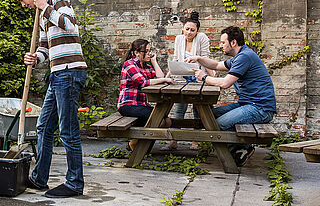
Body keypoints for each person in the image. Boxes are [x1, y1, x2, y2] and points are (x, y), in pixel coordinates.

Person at [11, 0, 87, 198]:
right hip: (57, 73)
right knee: (44, 127)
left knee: (68, 131)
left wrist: (45, 6)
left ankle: (74, 183)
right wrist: (36, 58)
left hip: (70, 72)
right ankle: (39, 178)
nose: (23, 4)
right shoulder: (41, 14)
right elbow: (46, 47)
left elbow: (71, 27)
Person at [186, 26, 276, 167]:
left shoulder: (244, 57)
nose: (221, 45)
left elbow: (225, 83)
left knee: (219, 124)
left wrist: (204, 77)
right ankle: (238, 148)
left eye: (223, 42)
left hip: (260, 108)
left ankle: (240, 149)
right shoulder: (239, 56)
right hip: (247, 104)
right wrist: (198, 58)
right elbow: (216, 65)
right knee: (205, 114)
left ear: (233, 42)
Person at [164, 11, 215, 151]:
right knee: (179, 108)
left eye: (192, 30)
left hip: (198, 75)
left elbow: (205, 59)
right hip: (182, 76)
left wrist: (213, 79)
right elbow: (175, 59)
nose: (189, 32)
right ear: (183, 28)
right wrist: (167, 76)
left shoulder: (202, 38)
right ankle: (174, 140)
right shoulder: (179, 39)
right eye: (187, 29)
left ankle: (195, 141)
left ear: (197, 30)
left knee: (198, 109)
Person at [117, 39, 174, 151]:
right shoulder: (129, 65)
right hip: (128, 105)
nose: (149, 53)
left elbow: (159, 78)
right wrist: (165, 79)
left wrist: (154, 61)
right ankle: (139, 147)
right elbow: (143, 82)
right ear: (136, 53)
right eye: (146, 51)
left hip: (141, 105)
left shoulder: (146, 67)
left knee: (167, 121)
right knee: (159, 120)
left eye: (150, 50)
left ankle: (138, 144)